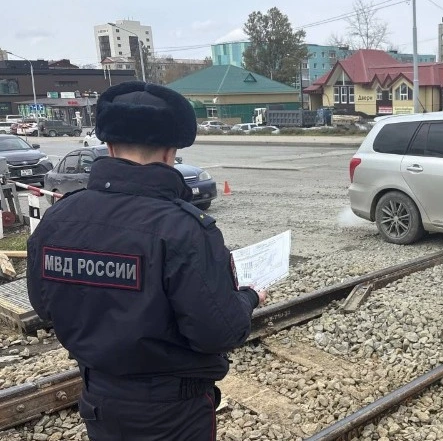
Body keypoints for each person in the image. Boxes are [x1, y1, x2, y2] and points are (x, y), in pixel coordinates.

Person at [27, 81, 268, 440]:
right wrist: (249, 297)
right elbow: (219, 331)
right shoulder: (184, 229)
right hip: (174, 415)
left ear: (108, 146)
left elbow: (43, 306)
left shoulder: (59, 218)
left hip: (100, 401)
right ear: (171, 152)